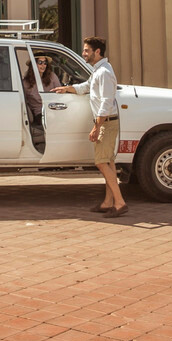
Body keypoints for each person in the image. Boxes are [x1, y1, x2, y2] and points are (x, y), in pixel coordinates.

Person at [53, 36, 126, 217]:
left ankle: (120, 203)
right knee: (108, 161)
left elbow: (106, 102)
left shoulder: (104, 72)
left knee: (101, 162)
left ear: (97, 51)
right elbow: (87, 87)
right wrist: (68, 88)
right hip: (106, 122)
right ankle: (108, 202)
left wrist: (97, 127)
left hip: (106, 123)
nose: (84, 53)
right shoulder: (99, 71)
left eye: (86, 50)